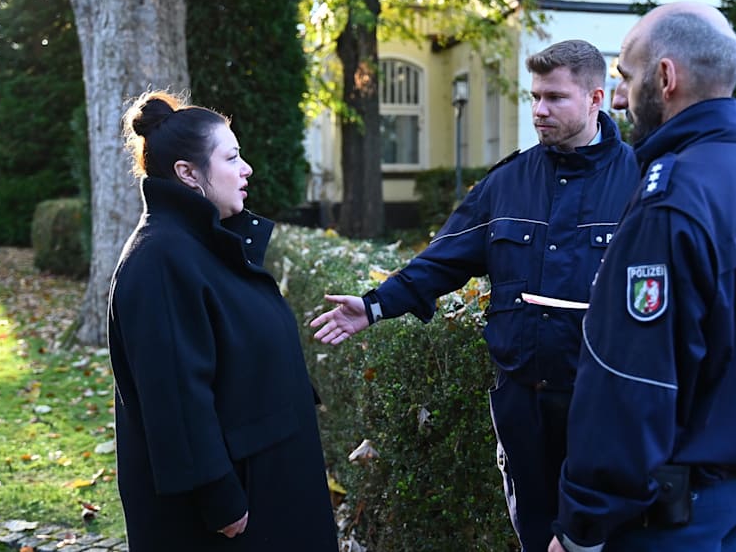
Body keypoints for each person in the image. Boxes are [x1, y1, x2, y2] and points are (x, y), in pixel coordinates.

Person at [310, 40, 641, 551]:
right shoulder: (508, 182)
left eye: (555, 97)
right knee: (535, 535)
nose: (538, 110)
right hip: (522, 405)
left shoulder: (639, 183)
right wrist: (374, 306)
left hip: (599, 405)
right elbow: (442, 259)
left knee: (601, 540)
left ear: (597, 97)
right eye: (534, 97)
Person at [548, 2, 736, 552]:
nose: (618, 97)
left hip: (665, 521)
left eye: (624, 76)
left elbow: (629, 384)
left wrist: (582, 526)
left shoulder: (671, 201)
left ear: (665, 78)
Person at [107, 90, 338, 551]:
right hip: (234, 513)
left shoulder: (207, 245)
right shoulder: (161, 260)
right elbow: (175, 396)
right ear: (188, 174)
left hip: (268, 483)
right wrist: (220, 498)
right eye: (232, 157)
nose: (246, 168)